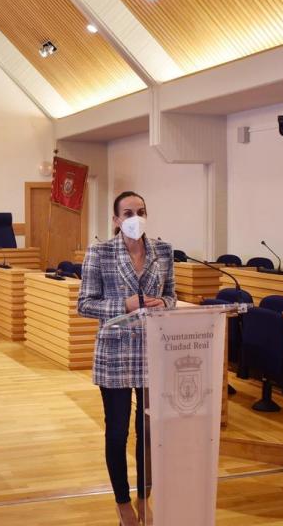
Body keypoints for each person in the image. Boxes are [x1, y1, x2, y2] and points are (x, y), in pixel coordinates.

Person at [77, 191, 176, 526]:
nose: (136, 217)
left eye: (141, 211)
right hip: (116, 351)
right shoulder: (100, 251)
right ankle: (122, 505)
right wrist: (125, 304)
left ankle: (143, 496)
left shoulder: (163, 250)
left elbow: (171, 295)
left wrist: (164, 303)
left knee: (148, 432)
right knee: (117, 432)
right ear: (116, 220)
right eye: (128, 212)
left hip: (153, 351)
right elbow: (85, 303)